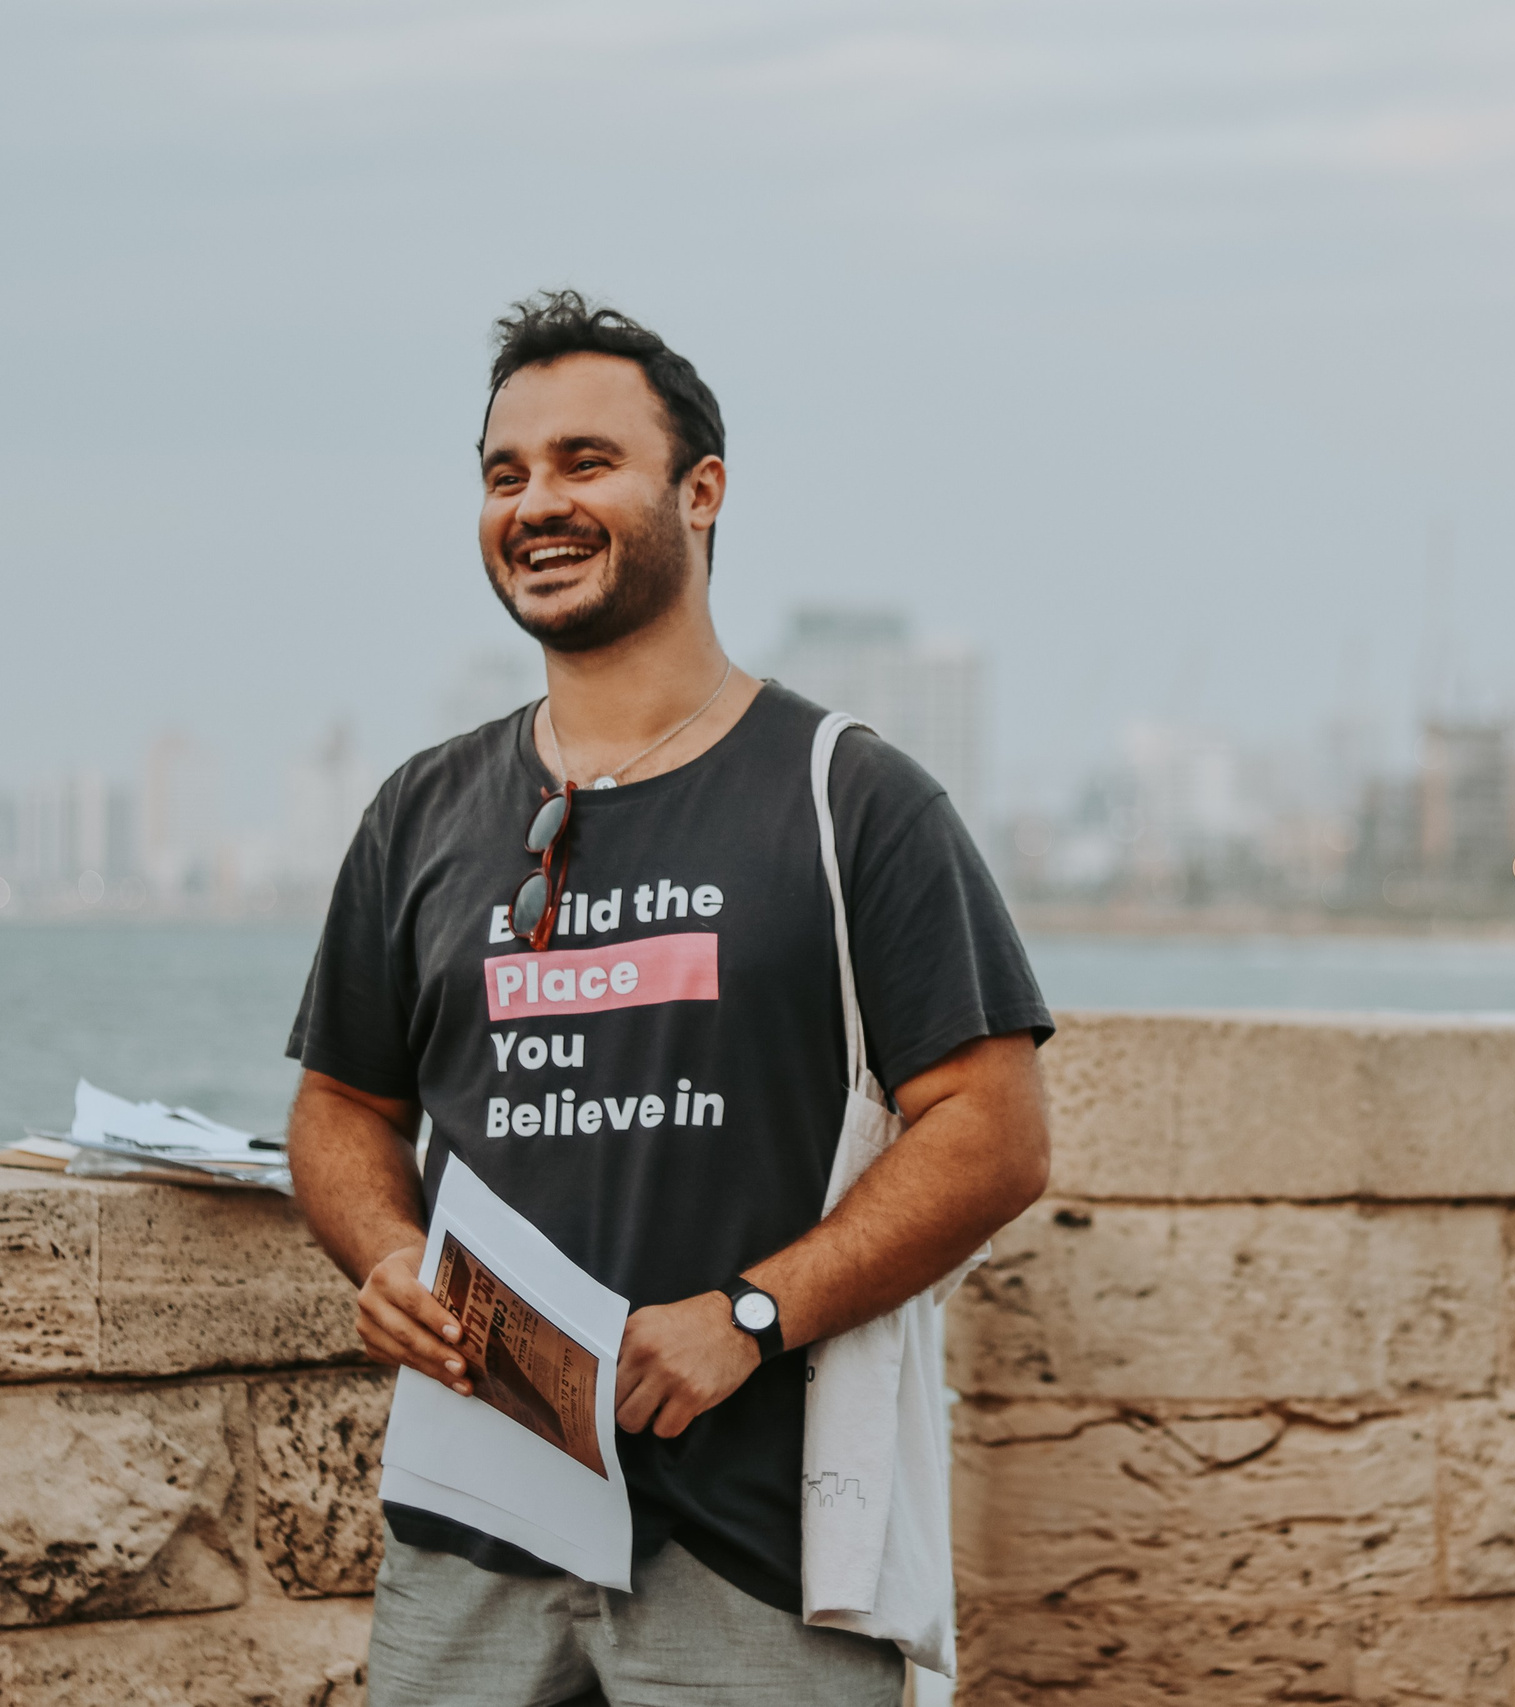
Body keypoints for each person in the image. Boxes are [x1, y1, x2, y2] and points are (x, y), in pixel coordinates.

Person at [284, 289, 1054, 1706]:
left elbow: (993, 1131)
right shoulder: (423, 812)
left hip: (753, 1554)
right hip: (474, 1541)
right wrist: (387, 1259)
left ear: (700, 493)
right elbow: (340, 1103)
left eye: (587, 462)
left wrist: (750, 1316)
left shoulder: (849, 798)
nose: (538, 504)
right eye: (505, 475)